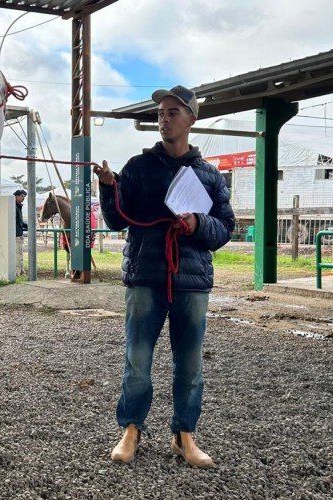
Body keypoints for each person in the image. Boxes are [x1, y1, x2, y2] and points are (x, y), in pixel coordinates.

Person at [93, 85, 235, 468]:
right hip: (145, 276)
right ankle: (131, 430)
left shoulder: (209, 176)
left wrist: (199, 223)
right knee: (137, 359)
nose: (164, 118)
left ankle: (184, 435)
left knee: (190, 364)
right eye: (161, 113)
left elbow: (225, 228)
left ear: (192, 119)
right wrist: (109, 189)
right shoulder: (138, 168)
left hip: (191, 281)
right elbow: (116, 219)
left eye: (173, 112)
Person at [13, 189, 28, 276]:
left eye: (24, 196)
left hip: (18, 233)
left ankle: (21, 271)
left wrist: (25, 225)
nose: (23, 198)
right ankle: (18, 272)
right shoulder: (15, 207)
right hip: (17, 234)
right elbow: (15, 221)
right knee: (18, 253)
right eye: (22, 196)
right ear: (16, 196)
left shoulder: (17, 206)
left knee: (19, 253)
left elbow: (19, 221)